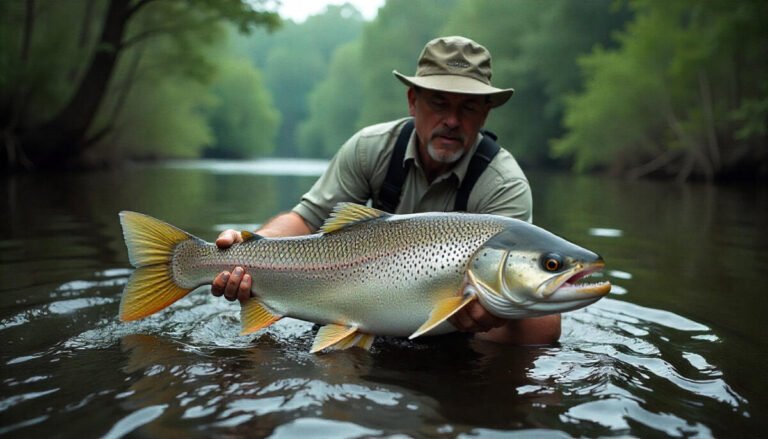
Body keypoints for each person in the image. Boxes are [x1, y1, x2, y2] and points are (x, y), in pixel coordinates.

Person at [211, 36, 561, 345]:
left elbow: (516, 282)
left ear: (485, 114)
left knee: (542, 326)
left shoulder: (503, 183)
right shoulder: (370, 148)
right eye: (439, 102)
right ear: (413, 101)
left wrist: (493, 314)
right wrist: (249, 247)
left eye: (468, 107)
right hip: (360, 290)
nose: (452, 120)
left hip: (452, 313)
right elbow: (306, 219)